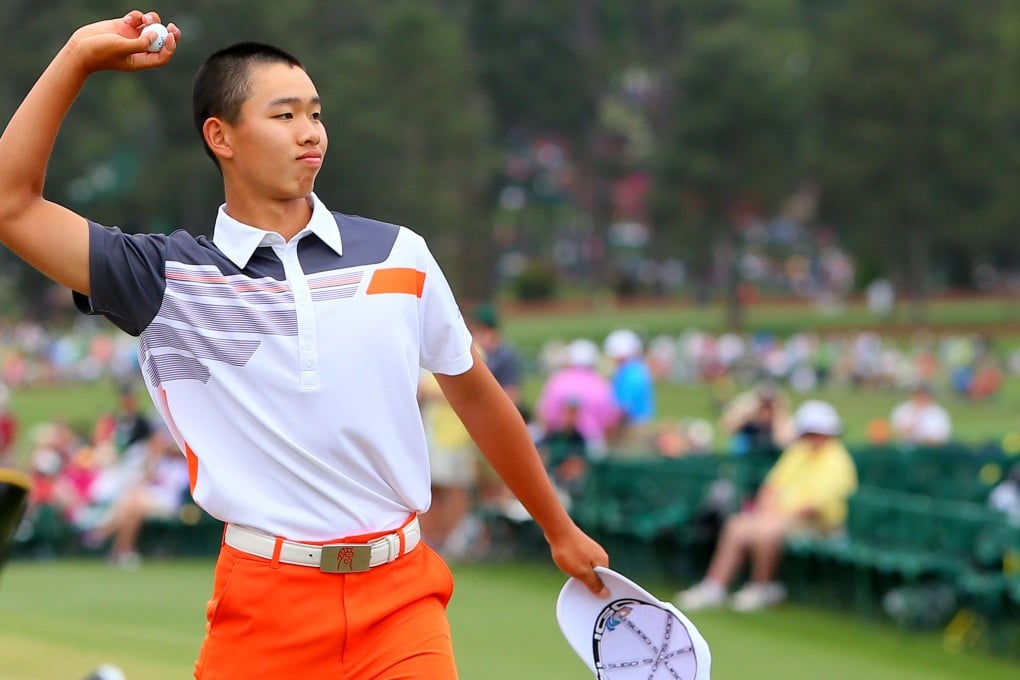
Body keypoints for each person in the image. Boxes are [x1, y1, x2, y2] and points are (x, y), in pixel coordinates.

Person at [0, 11, 608, 678]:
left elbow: (479, 396)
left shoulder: (400, 256)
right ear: (220, 136)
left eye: (315, 113)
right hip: (263, 608)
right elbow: (11, 205)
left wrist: (557, 528)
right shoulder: (165, 278)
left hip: (402, 602)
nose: (310, 132)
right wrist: (78, 56)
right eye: (284, 115)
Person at [675, 400, 857, 612]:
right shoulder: (798, 451)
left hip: (819, 525)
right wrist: (767, 508)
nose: (810, 438)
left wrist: (776, 515)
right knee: (737, 526)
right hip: (781, 517)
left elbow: (816, 507)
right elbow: (772, 486)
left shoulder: (837, 461)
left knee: (767, 530)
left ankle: (762, 586)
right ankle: (714, 587)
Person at [603, 328, 656, 457]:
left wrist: (611, 433)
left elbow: (623, 409)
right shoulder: (636, 369)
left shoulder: (630, 373)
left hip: (631, 430)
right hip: (637, 425)